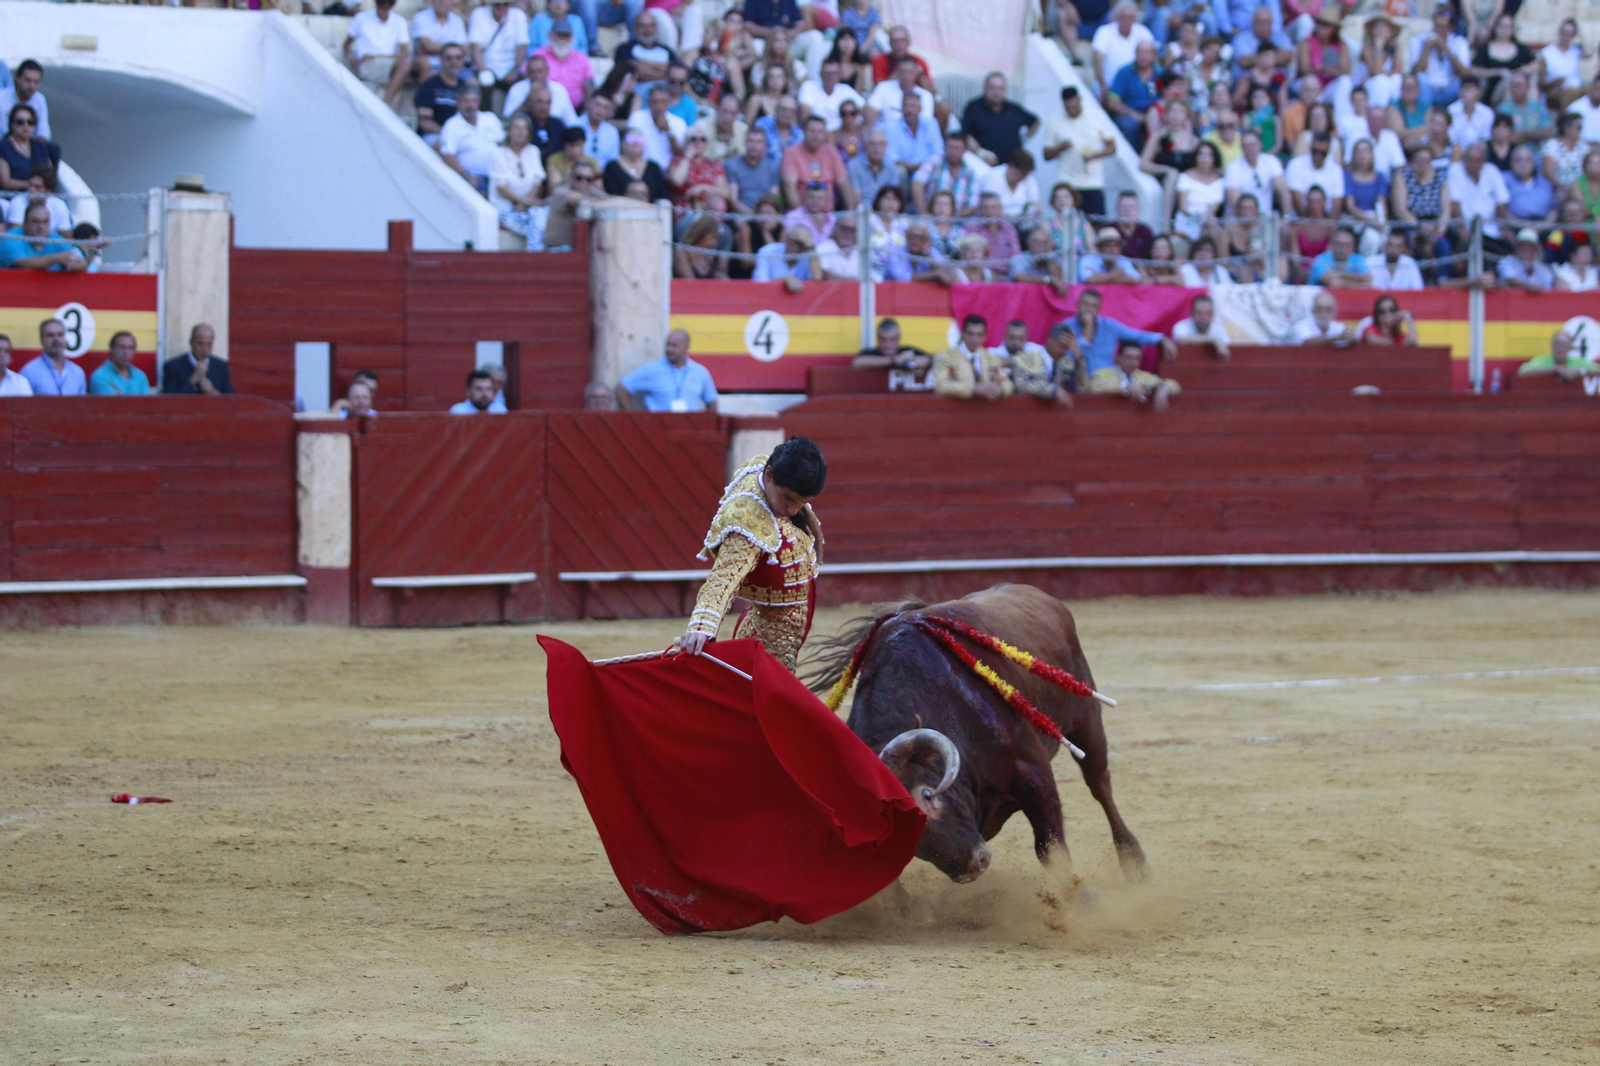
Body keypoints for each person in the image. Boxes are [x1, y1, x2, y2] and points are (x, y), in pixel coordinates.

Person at [673, 437, 826, 673]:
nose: (793, 511)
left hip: (789, 607)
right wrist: (702, 626)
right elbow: (724, 577)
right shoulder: (747, 521)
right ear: (768, 476)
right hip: (772, 628)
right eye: (788, 498)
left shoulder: (765, 469)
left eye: (803, 503)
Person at [1059, 287, 1176, 375]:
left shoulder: (1109, 326)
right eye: (1085, 304)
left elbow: (1137, 336)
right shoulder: (1066, 327)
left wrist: (1161, 338)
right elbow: (1065, 360)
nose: (1089, 309)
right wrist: (1087, 334)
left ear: (1099, 309)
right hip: (1077, 387)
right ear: (1077, 305)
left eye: (1093, 306)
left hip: (1107, 385)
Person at [1043, 86, 1117, 218]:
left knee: (1096, 222)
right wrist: (1060, 148)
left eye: (1074, 106)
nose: (1071, 110)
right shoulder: (1054, 121)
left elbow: (1112, 148)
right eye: (1068, 107)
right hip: (1066, 182)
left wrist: (1095, 155)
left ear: (1080, 100)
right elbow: (1046, 155)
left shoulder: (1097, 116)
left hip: (1092, 181)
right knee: (1065, 221)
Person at [616, 329, 718, 412]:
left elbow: (712, 402)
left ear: (686, 347)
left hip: (690, 431)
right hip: (659, 429)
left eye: (674, 346)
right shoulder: (652, 370)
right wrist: (633, 418)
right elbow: (622, 389)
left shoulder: (700, 372)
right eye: (668, 345)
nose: (669, 349)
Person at [343, 0, 412, 109]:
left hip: (384, 63)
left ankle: (386, 103)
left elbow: (405, 53)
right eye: (381, 4)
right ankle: (386, 105)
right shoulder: (361, 18)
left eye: (386, 5)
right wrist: (351, 58)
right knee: (404, 66)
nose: (383, 8)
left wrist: (378, 57)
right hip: (366, 63)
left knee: (406, 64)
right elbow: (346, 45)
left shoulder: (399, 21)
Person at [961, 73, 1039, 166]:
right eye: (992, 87)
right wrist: (980, 153)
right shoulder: (973, 108)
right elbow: (966, 135)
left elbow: (1035, 121)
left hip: (1011, 166)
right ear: (985, 88)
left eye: (1000, 88)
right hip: (983, 165)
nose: (996, 92)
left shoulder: (1014, 109)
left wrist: (1024, 139)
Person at [440, 86, 506, 192]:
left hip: (497, 175)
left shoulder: (490, 118)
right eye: (466, 101)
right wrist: (466, 175)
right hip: (472, 178)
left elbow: (503, 145)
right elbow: (448, 156)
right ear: (459, 103)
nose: (470, 105)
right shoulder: (451, 125)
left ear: (479, 103)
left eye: (474, 101)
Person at [933, 315, 1011, 401]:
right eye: (970, 334)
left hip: (985, 409)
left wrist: (999, 389)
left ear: (985, 336)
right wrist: (974, 389)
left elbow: (1007, 383)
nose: (974, 339)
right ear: (963, 334)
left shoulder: (990, 358)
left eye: (979, 335)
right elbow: (940, 385)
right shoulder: (947, 356)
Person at [1087, 338, 1180, 411]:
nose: (1133, 363)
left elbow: (1174, 385)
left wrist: (1163, 389)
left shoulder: (1144, 377)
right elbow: (1093, 388)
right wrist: (1125, 388)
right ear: (1118, 357)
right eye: (1129, 358)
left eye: (1137, 358)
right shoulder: (1103, 374)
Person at [781, 116, 853, 207]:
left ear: (824, 134)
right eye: (812, 131)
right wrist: (800, 215)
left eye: (820, 132)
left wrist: (851, 213)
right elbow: (789, 186)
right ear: (804, 132)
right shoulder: (791, 152)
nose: (816, 135)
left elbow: (843, 182)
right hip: (802, 214)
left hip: (828, 215)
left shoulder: (831, 151)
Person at [1409, 3, 1471, 109]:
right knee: (1421, 80)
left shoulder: (1459, 42)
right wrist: (1427, 48)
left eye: (1443, 27)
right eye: (1436, 26)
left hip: (1450, 87)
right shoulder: (1419, 40)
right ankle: (1426, 116)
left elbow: (1464, 73)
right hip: (1428, 87)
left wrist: (1446, 48)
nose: (1438, 31)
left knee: (1461, 86)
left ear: (1450, 28)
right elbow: (1417, 72)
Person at [993, 319, 1070, 404]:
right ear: (1004, 336)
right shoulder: (993, 354)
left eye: (1020, 338)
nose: (1016, 342)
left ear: (1027, 338)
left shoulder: (1037, 352)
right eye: (1012, 337)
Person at [1105, 39, 1163, 149]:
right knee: (1131, 125)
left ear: (1153, 55)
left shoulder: (1161, 72)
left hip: (1155, 112)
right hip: (1129, 112)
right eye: (1140, 52)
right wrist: (1133, 113)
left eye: (1146, 53)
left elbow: (1169, 96)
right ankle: (1135, 158)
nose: (1143, 56)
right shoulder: (1124, 72)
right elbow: (1112, 101)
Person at [1093, 1, 1156, 99]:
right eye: (1123, 17)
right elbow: (1097, 59)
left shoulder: (1143, 32)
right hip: (1109, 87)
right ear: (1116, 17)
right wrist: (1102, 84)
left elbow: (1153, 57)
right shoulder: (1104, 31)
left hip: (1137, 88)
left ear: (1135, 19)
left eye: (1130, 17)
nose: (1127, 20)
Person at [911, 132, 981, 215]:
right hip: (928, 216)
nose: (953, 151)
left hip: (956, 221)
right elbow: (917, 182)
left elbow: (972, 204)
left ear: (965, 150)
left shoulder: (970, 172)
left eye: (957, 148)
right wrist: (922, 212)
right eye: (950, 147)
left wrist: (951, 220)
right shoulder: (934, 162)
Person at [0, 201, 83, 271]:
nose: (41, 227)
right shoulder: (11, 238)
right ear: (25, 223)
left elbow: (78, 257)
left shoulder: (54, 238)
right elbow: (23, 264)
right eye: (36, 221)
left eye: (45, 222)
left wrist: (78, 264)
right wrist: (58, 258)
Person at [853, 318, 932, 392]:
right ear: (878, 338)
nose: (888, 344)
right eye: (884, 339)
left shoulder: (907, 352)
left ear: (898, 338)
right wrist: (894, 360)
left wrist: (915, 362)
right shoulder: (871, 354)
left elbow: (930, 359)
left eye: (892, 339)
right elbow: (857, 362)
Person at [415, 44, 470, 147]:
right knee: (446, 146)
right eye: (448, 58)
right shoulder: (429, 85)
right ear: (441, 60)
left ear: (463, 61)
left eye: (458, 58)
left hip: (460, 135)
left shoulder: (465, 87)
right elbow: (425, 122)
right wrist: (448, 134)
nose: (454, 62)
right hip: (435, 135)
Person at [1224, 128, 1288, 215]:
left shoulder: (1271, 161)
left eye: (1252, 145)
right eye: (1245, 146)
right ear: (1241, 148)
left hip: (1265, 218)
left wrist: (1286, 218)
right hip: (1241, 219)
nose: (1249, 149)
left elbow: (1283, 190)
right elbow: (1235, 202)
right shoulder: (1233, 167)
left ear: (1260, 145)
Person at [534, 20, 595, 113]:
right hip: (546, 110)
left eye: (566, 36)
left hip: (578, 110)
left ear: (572, 38)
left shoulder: (581, 58)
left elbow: (589, 88)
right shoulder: (539, 55)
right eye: (559, 35)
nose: (562, 39)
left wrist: (586, 113)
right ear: (550, 35)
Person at [545, 160, 607, 248]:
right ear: (571, 177)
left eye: (589, 179)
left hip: (580, 250)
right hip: (557, 250)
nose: (584, 182)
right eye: (579, 178)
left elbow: (608, 199)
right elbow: (577, 200)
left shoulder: (592, 192)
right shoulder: (560, 191)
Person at [20, 318, 86, 396]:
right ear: (41, 340)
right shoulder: (30, 372)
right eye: (50, 335)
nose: (56, 339)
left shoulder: (77, 372)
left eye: (60, 334)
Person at [162, 324, 233, 395]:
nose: (205, 349)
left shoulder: (220, 366)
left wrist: (213, 391)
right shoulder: (173, 366)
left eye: (209, 344)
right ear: (191, 342)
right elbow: (169, 400)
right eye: (200, 344)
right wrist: (193, 379)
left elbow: (230, 399)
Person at [1285, 133, 1346, 217]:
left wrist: (1327, 227)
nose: (1318, 156)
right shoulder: (1296, 165)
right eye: (1314, 151)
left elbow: (1337, 204)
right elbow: (1296, 201)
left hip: (1327, 222)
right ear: (1310, 148)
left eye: (1323, 153)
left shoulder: (1336, 170)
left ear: (1329, 152)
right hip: (1300, 221)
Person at [884, 89, 941, 178]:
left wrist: (923, 168)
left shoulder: (931, 124)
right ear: (901, 109)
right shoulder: (892, 127)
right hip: (904, 173)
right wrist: (916, 166)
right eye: (906, 106)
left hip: (928, 172)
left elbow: (938, 153)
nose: (909, 110)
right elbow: (892, 159)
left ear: (920, 109)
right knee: (899, 171)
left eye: (913, 106)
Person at [798, 58, 864, 131]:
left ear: (840, 75)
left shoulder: (846, 89)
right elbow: (805, 115)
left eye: (833, 73)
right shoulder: (809, 86)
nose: (830, 77)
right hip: (817, 134)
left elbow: (864, 110)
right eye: (827, 73)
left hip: (840, 136)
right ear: (820, 74)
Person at [725, 128, 781, 210]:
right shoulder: (732, 164)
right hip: (739, 215)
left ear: (764, 144)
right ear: (745, 142)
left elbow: (774, 198)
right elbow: (733, 200)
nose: (754, 146)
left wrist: (762, 217)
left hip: (765, 215)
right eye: (750, 141)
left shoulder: (773, 167)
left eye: (758, 142)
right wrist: (752, 216)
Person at [604, 130, 668, 200]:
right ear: (623, 143)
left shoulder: (654, 167)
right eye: (631, 139)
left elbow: (662, 194)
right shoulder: (612, 167)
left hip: (651, 209)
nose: (636, 142)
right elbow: (610, 194)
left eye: (640, 139)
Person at [847, 128, 899, 209]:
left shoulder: (892, 168)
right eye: (873, 144)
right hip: (863, 212)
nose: (877, 148)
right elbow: (855, 198)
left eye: (881, 144)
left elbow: (894, 198)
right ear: (866, 146)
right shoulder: (854, 166)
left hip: (885, 213)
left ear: (886, 146)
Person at [0, 61, 51, 142]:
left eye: (36, 82)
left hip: (30, 147)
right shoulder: (2, 99)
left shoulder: (39, 100)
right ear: (17, 78)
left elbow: (43, 132)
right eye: (28, 80)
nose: (32, 86)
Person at [1010, 226, 1069, 294]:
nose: (1040, 245)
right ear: (1029, 243)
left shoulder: (1053, 259)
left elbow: (1059, 282)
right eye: (1036, 242)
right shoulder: (1019, 259)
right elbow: (1020, 278)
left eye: (1044, 242)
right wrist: (1048, 279)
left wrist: (1050, 253)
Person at [88, 332, 150, 396]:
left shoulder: (140, 376)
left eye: (130, 348)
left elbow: (145, 404)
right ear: (112, 349)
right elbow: (109, 404)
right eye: (122, 347)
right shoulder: (100, 376)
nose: (126, 352)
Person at [1517, 330, 1599, 378]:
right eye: (1557, 344)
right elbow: (1522, 372)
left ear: (1570, 347)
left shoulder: (1578, 362)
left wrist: (1579, 372)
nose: (1560, 348)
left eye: (1564, 345)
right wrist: (1555, 369)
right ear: (1552, 345)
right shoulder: (1541, 361)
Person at [575, 0, 645, 56]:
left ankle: (635, 44)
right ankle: (592, 46)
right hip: (586, 7)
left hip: (612, 8)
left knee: (635, 3)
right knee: (586, 2)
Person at [1171, 293, 1229, 357]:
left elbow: (1227, 349)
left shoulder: (1219, 330)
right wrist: (1212, 340)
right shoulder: (1181, 326)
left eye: (1208, 313)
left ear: (1213, 314)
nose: (1203, 317)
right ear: (1192, 313)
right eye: (1199, 313)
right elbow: (1181, 340)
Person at [1497, 227, 1554, 291]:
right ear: (1516, 248)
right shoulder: (1507, 262)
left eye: (1529, 247)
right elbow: (1510, 280)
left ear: (1536, 250)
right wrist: (1528, 286)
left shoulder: (1543, 269)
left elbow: (1547, 288)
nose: (1525, 249)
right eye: (1522, 246)